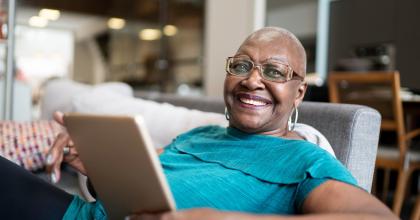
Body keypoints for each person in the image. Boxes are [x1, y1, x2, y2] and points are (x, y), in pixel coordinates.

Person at [0, 27, 397, 220]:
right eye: (241, 66)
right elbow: (145, 189)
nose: (252, 79)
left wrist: (223, 219)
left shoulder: (303, 160)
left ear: (299, 93)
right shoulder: (200, 136)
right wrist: (96, 163)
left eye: (274, 71)